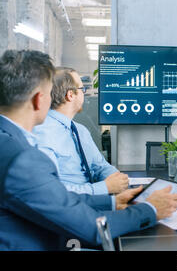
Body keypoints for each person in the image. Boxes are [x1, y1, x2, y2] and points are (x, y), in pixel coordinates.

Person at [0, 50, 177, 250]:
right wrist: (150, 209)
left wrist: (111, 203)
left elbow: (54, 197)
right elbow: (92, 228)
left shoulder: (9, 142)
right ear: (39, 99)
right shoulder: (21, 159)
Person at [33, 67, 127, 195]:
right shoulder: (42, 133)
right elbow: (52, 192)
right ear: (70, 95)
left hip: (94, 200)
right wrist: (105, 188)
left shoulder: (80, 130)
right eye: (82, 89)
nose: (84, 93)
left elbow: (100, 166)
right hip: (70, 206)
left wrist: (118, 180)